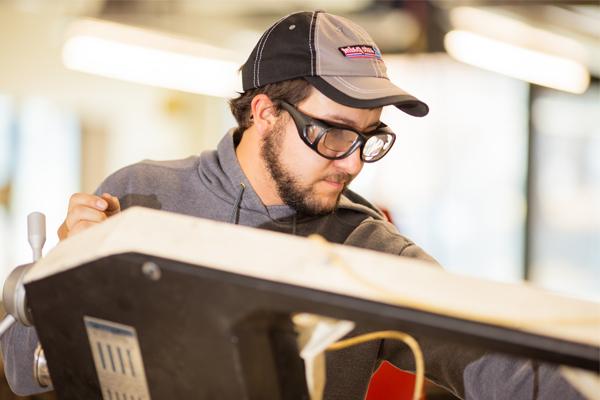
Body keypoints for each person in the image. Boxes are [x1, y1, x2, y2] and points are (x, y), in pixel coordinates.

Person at [1, 11, 584, 400]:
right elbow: (20, 370)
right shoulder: (140, 198)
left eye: (368, 137)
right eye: (332, 133)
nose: (353, 162)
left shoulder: (369, 253)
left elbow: (505, 370)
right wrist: (61, 280)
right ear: (265, 113)